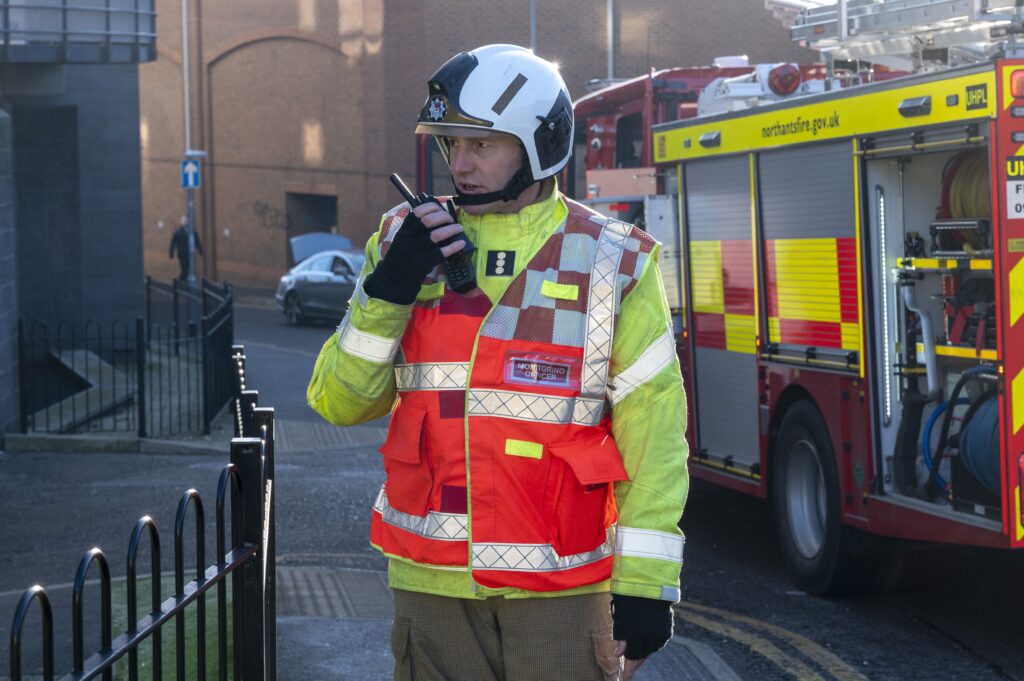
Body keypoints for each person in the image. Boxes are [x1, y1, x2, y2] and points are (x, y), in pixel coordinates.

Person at [308, 44, 689, 681]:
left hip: (562, 591)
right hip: (432, 588)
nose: (461, 164)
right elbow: (338, 403)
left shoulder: (614, 260)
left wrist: (647, 584)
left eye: (482, 144)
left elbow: (654, 431)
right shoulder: (403, 241)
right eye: (451, 144)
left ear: (541, 144)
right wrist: (390, 288)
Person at [169, 215, 203, 282]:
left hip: (189, 254)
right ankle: (181, 282)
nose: (186, 222)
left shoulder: (192, 231)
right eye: (184, 221)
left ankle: (181, 282)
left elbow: (197, 240)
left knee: (187, 269)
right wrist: (171, 253)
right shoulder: (178, 232)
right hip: (181, 253)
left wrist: (200, 250)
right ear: (182, 222)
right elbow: (173, 243)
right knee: (184, 269)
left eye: (187, 221)